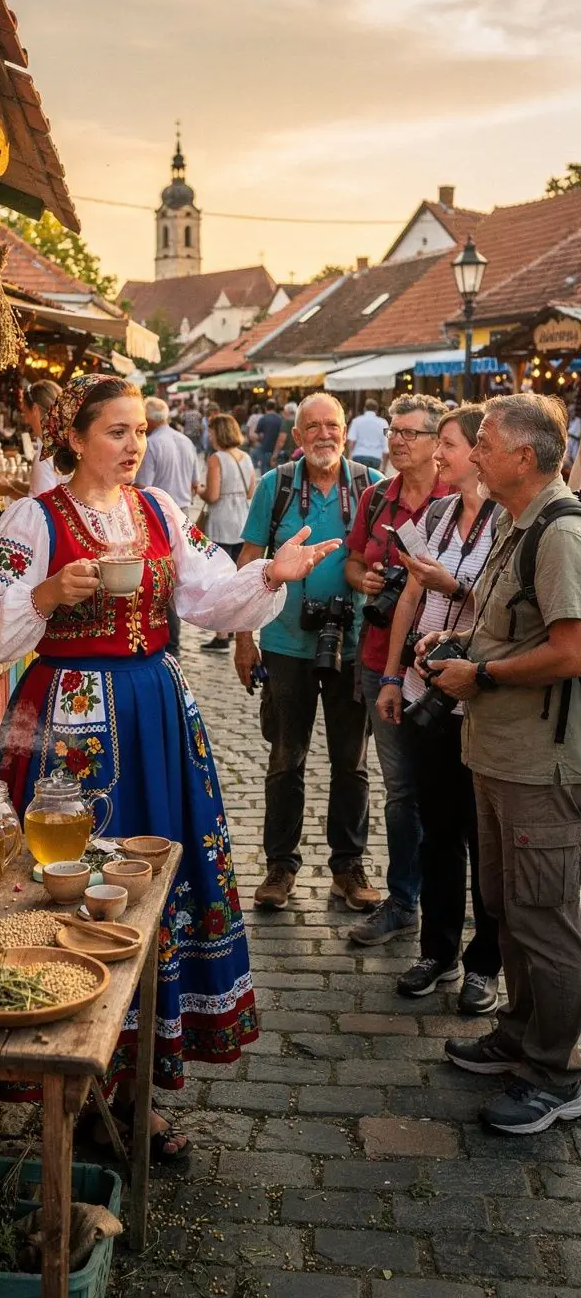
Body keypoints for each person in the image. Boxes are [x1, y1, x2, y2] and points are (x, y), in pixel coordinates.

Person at [0, 375, 341, 1157]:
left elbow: (208, 597)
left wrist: (271, 574)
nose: (134, 445)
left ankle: (134, 1092)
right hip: (68, 719)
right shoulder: (34, 519)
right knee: (70, 891)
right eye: (116, 431)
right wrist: (46, 593)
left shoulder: (161, 511)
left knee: (157, 884)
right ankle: (67, 1086)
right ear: (76, 438)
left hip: (156, 712)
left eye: (139, 431)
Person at [416, 394, 581, 1134]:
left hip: (540, 765)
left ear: (523, 455)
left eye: (483, 442)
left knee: (546, 920)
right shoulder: (517, 523)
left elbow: (572, 652)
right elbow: (510, 628)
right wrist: (456, 651)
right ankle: (518, 1036)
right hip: (496, 752)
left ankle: (556, 1074)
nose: (471, 453)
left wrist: (480, 675)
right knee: (507, 908)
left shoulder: (561, 532)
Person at [235, 393, 383, 911]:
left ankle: (348, 866)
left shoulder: (370, 486)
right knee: (285, 759)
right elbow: (249, 562)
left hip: (353, 644)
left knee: (352, 762)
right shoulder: (274, 487)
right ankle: (280, 867)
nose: (324, 434)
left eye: (332, 425)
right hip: (283, 644)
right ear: (297, 436)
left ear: (346, 431)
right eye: (313, 427)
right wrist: (244, 639)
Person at [377, 404, 501, 1014]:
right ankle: (438, 950)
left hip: (479, 701)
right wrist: (391, 675)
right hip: (425, 692)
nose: (441, 455)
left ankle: (485, 964)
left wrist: (454, 588)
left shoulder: (510, 522)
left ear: (477, 452)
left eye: (448, 445)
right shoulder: (438, 513)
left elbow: (506, 614)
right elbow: (409, 598)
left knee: (485, 841)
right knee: (438, 832)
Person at [344, 393, 449, 944]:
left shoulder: (457, 500)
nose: (398, 441)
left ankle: (447, 901)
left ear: (436, 442)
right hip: (379, 657)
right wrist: (361, 577)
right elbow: (353, 558)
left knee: (444, 787)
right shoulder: (376, 497)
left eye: (411, 432)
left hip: (437, 664)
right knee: (400, 789)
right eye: (393, 431)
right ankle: (404, 899)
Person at [135, 395, 200, 658]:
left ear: (148, 420)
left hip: (157, 515)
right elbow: (195, 484)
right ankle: (173, 642)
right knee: (175, 577)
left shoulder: (152, 444)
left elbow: (142, 487)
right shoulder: (185, 441)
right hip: (182, 512)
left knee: (161, 580)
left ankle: (167, 641)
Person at [200, 412, 256, 653]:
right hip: (241, 521)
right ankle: (233, 626)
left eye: (211, 432)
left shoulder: (217, 458)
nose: (209, 436)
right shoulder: (246, 457)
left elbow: (212, 495)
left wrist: (199, 490)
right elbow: (250, 491)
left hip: (222, 522)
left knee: (220, 580)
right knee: (237, 579)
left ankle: (222, 634)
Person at [347, 399, 389, 470]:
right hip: (375, 457)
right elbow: (386, 444)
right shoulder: (384, 423)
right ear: (376, 410)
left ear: (364, 409)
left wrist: (350, 457)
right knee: (373, 477)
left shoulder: (356, 421)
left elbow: (351, 441)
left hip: (358, 456)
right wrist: (384, 467)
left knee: (358, 477)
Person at [254, 399, 283, 472]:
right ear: (275, 407)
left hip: (265, 449)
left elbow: (257, 434)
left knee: (265, 473)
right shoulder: (280, 419)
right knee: (276, 474)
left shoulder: (263, 419)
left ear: (265, 407)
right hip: (277, 451)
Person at [270, 400, 298, 467]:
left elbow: (281, 440)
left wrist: (274, 456)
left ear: (287, 412)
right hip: (298, 454)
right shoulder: (299, 421)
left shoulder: (287, 421)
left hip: (287, 455)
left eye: (284, 411)